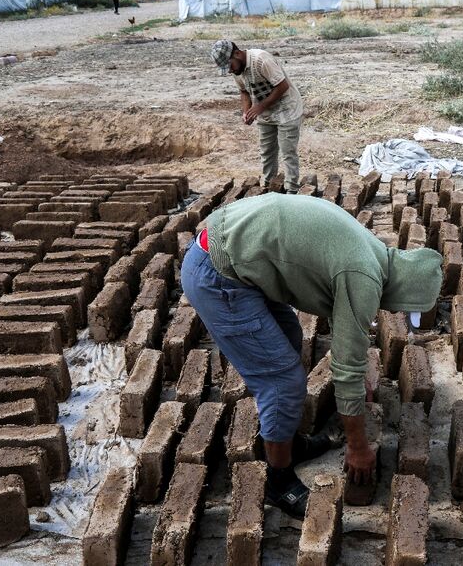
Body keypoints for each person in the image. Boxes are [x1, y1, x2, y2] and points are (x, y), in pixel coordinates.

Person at [181, 193, 442, 519]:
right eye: (402, 308)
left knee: (290, 340)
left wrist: (358, 371)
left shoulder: (374, 253)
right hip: (219, 275)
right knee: (283, 380)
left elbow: (345, 328)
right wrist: (358, 447)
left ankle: (291, 442)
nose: (394, 311)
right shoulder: (363, 278)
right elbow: (345, 366)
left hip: (234, 252)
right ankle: (278, 480)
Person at [211, 40, 304, 194]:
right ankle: (269, 187)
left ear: (237, 54)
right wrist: (247, 111)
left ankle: (292, 190)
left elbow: (282, 86)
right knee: (267, 152)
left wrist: (259, 107)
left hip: (287, 110)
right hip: (265, 113)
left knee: (288, 152)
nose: (230, 71)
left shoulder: (261, 60)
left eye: (230, 66)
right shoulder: (237, 70)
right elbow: (244, 92)